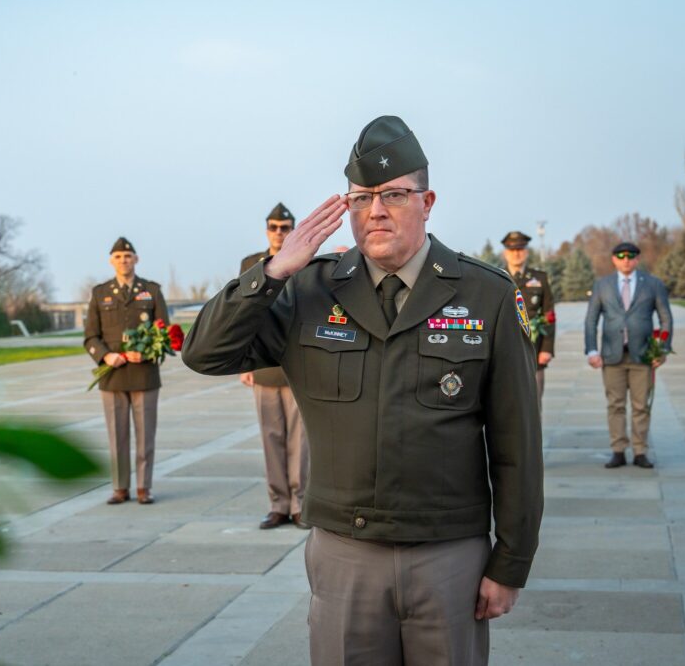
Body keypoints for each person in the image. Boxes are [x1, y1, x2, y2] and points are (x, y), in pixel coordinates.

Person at [183, 115, 543, 666]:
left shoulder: (486, 294)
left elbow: (518, 446)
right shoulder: (308, 289)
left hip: (449, 555)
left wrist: (510, 562)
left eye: (395, 195)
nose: (375, 211)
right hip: (345, 557)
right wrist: (273, 272)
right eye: (361, 198)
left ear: (428, 202)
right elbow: (205, 353)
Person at [240, 203, 309, 530]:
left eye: (284, 227)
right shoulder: (252, 264)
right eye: (273, 227)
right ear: (266, 230)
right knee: (271, 437)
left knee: (300, 440)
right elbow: (243, 315)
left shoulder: (307, 259)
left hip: (297, 362)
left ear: (293, 229)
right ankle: (278, 504)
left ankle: (300, 504)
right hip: (264, 362)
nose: (279, 232)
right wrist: (244, 360)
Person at [84, 237, 169, 504]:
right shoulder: (100, 293)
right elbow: (90, 337)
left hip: (144, 375)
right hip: (113, 376)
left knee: (146, 436)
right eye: (119, 256)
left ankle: (144, 487)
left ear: (136, 260)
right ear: (112, 261)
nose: (124, 261)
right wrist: (106, 356)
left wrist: (145, 352)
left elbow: (163, 331)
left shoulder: (151, 291)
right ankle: (120, 487)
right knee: (116, 436)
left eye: (128, 256)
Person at [584, 241, 673, 469]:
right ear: (614, 259)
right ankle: (618, 450)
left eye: (630, 256)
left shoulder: (652, 284)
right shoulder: (602, 285)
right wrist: (592, 350)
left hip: (642, 356)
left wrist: (662, 349)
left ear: (637, 259)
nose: (626, 260)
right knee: (615, 404)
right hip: (612, 356)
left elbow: (666, 319)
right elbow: (592, 320)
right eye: (621, 256)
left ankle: (641, 451)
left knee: (641, 405)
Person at [501, 230, 556, 406]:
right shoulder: (496, 277)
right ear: (505, 253)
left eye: (520, 249)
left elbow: (549, 315)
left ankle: (534, 435)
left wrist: (547, 349)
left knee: (533, 403)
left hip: (534, 350)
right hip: (503, 351)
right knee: (505, 405)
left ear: (527, 251)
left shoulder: (540, 278)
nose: (516, 253)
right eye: (512, 249)